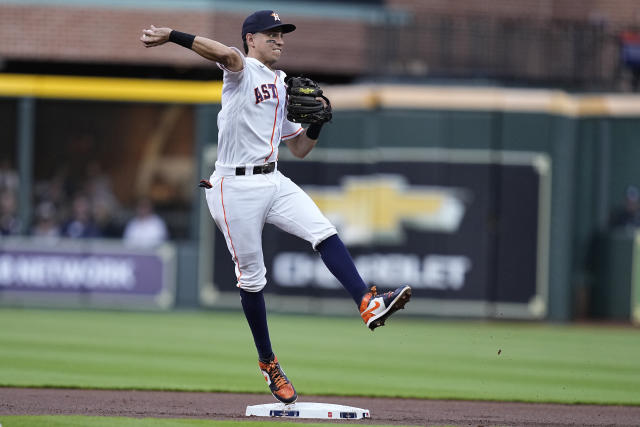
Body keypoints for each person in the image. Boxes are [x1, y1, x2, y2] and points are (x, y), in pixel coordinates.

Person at [140, 10, 411, 405]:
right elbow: (223, 54)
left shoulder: (283, 84)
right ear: (251, 39)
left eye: (282, 34)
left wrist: (317, 123)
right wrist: (172, 36)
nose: (280, 40)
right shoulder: (240, 69)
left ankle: (368, 303)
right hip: (233, 186)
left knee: (323, 230)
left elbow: (299, 149)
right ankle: (268, 363)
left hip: (273, 178)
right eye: (271, 34)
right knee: (252, 279)